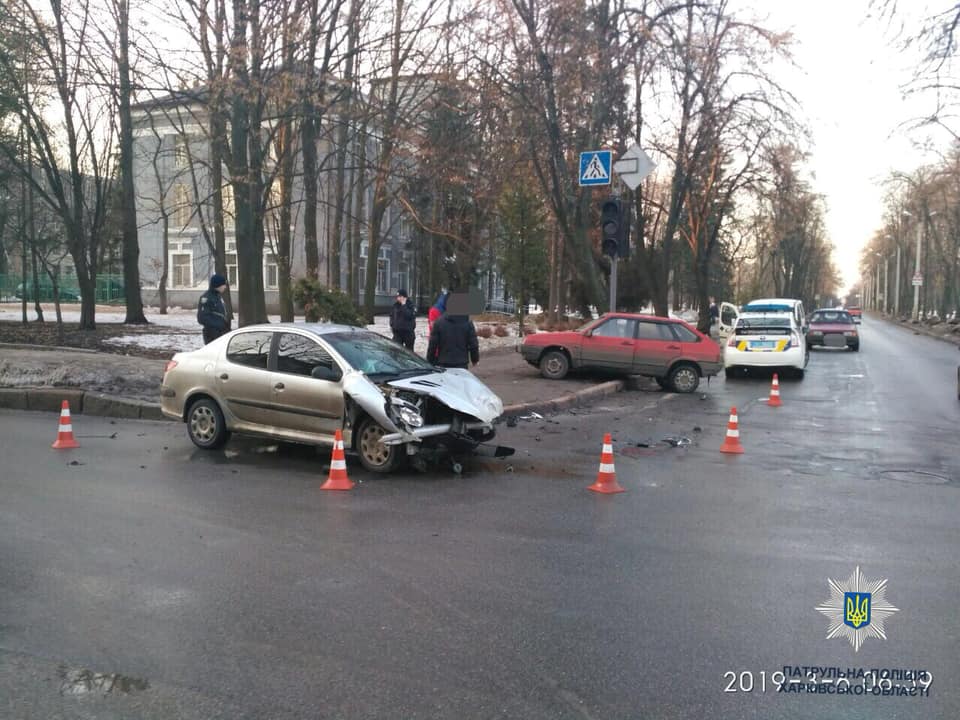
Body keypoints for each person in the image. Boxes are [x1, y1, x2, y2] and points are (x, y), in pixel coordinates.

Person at [197, 273, 230, 345]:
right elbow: (202, 318)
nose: (225, 287)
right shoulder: (206, 298)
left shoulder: (218, 297)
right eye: (223, 284)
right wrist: (219, 326)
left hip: (220, 333)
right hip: (212, 334)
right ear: (218, 285)